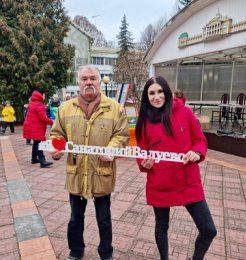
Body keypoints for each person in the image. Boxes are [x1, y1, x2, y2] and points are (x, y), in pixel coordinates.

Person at [49, 65, 130, 260]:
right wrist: (57, 149)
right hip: (76, 173)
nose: (88, 82)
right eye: (84, 79)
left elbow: (121, 135)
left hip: (102, 173)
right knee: (75, 218)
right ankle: (76, 252)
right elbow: (57, 133)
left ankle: (106, 253)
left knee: (104, 219)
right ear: (78, 82)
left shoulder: (115, 108)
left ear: (99, 81)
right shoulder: (65, 109)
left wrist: (112, 148)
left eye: (92, 78)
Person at [135, 76, 217, 260]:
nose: (156, 97)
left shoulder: (185, 112)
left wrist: (197, 152)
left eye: (160, 92)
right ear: (146, 97)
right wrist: (143, 162)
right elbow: (141, 149)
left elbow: (199, 140)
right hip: (159, 182)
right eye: (151, 93)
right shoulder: (144, 119)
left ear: (167, 92)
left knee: (209, 230)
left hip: (188, 181)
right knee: (161, 228)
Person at [23, 90, 54, 168]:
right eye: (44, 95)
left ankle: (34, 158)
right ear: (41, 95)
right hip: (36, 127)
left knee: (36, 142)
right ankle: (42, 161)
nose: (44, 96)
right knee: (39, 143)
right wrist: (53, 121)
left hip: (31, 126)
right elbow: (43, 118)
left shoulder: (32, 103)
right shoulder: (39, 104)